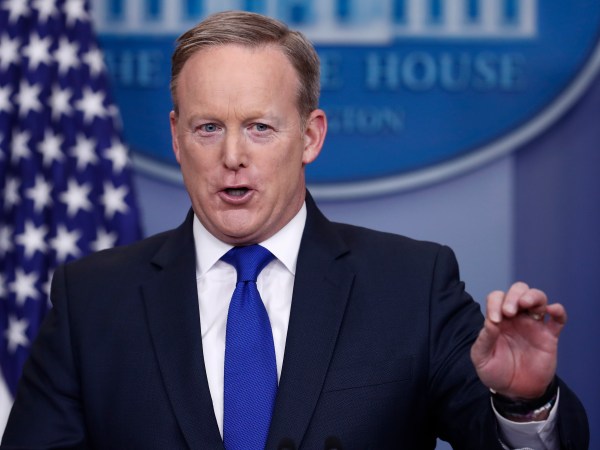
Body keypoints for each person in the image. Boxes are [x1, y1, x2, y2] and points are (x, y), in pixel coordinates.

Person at [1, 10, 589, 450]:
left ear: (310, 137)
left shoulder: (412, 285)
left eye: (259, 127)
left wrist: (524, 404)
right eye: (208, 128)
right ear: (177, 138)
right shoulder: (92, 300)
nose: (233, 156)